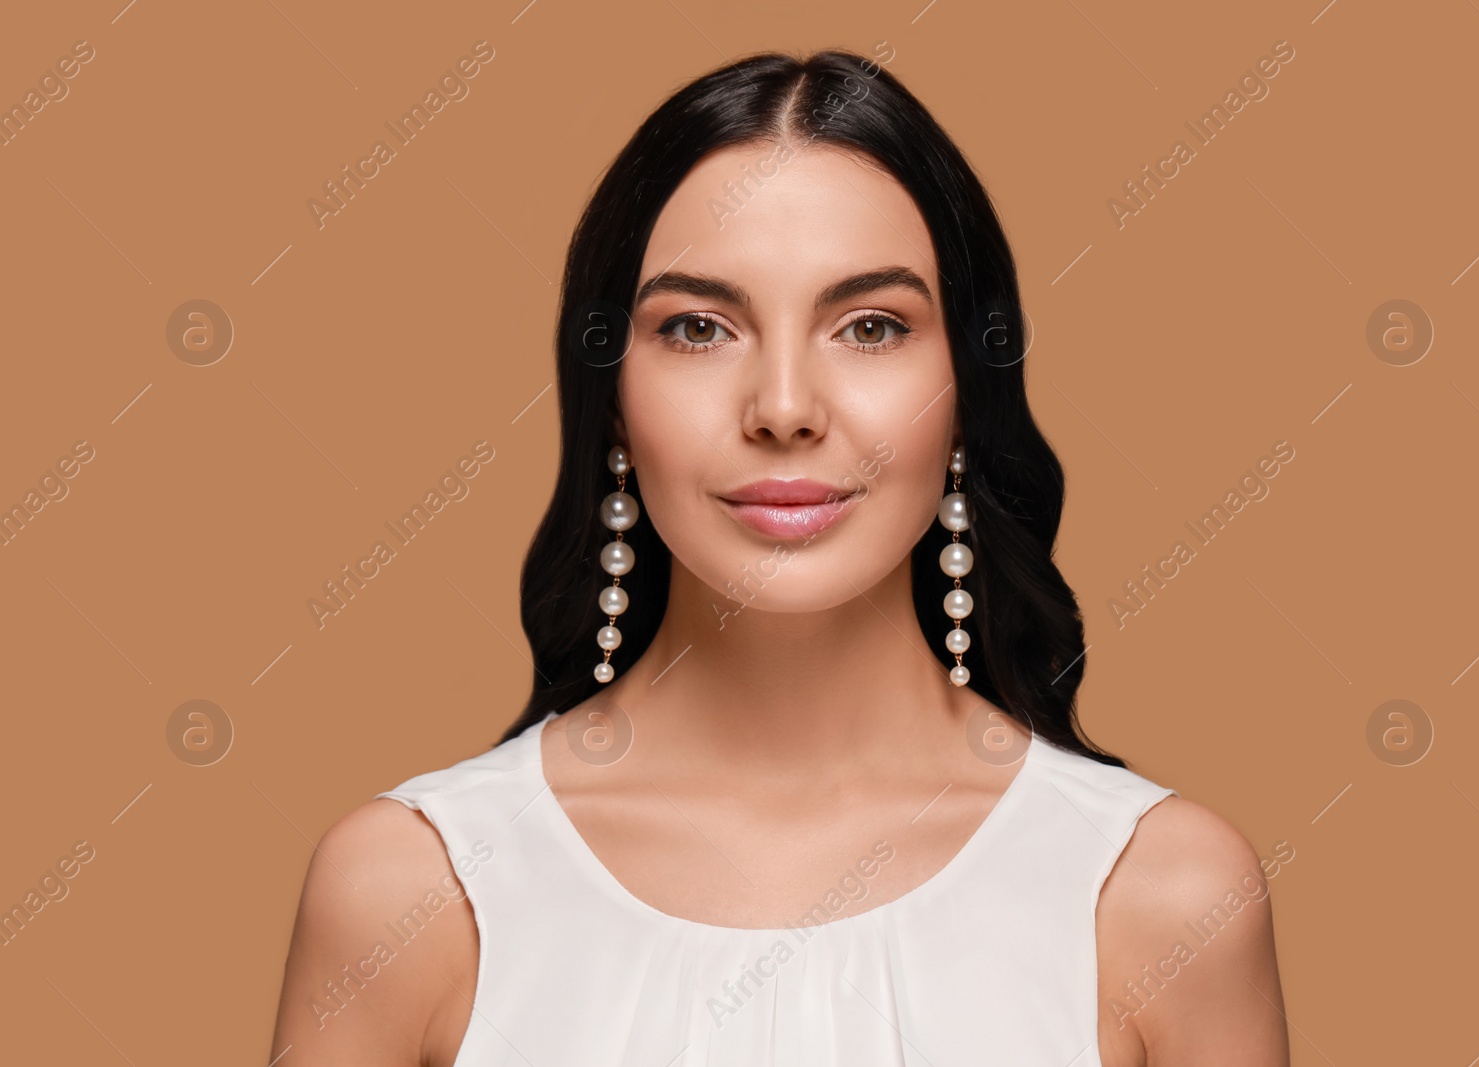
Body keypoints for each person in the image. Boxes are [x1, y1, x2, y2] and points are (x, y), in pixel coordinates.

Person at [270, 48, 1289, 1066]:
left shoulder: (1161, 896)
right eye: (700, 328)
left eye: (871, 325)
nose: (786, 409)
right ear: (611, 399)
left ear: (966, 389)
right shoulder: (411, 892)